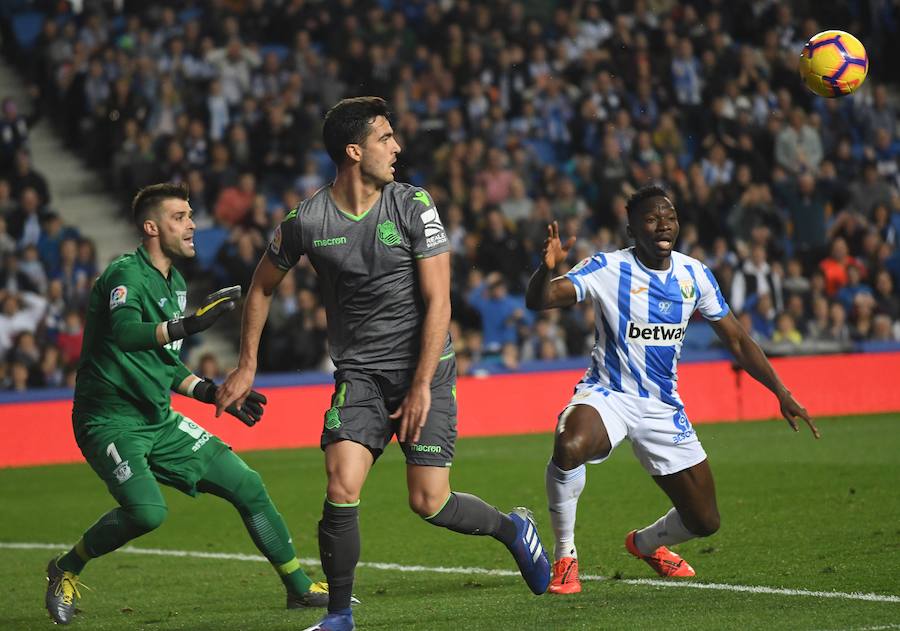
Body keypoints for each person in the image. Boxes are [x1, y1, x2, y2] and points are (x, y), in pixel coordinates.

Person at [216, 97, 551, 631]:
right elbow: (260, 287)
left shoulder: (413, 204)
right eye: (385, 138)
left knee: (430, 502)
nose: (397, 148)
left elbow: (440, 301)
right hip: (360, 375)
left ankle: (513, 531)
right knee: (341, 483)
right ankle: (339, 616)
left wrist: (421, 386)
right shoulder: (307, 220)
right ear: (354, 151)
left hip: (426, 367)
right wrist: (247, 365)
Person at [45, 184, 332, 625]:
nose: (193, 223)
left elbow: (165, 365)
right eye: (180, 216)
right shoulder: (125, 274)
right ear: (151, 227)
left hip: (158, 420)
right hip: (109, 422)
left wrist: (215, 393)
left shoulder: (175, 282)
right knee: (147, 512)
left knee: (248, 486)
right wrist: (189, 325)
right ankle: (65, 567)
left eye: (191, 214)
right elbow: (125, 334)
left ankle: (298, 588)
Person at [525, 185, 819, 595]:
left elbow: (736, 340)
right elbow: (541, 301)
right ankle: (565, 557)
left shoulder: (694, 274)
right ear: (632, 229)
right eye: (651, 218)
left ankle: (645, 544)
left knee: (705, 521)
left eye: (670, 217)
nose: (663, 225)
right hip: (610, 394)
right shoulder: (608, 268)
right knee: (570, 444)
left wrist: (780, 391)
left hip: (662, 406)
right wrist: (546, 268)